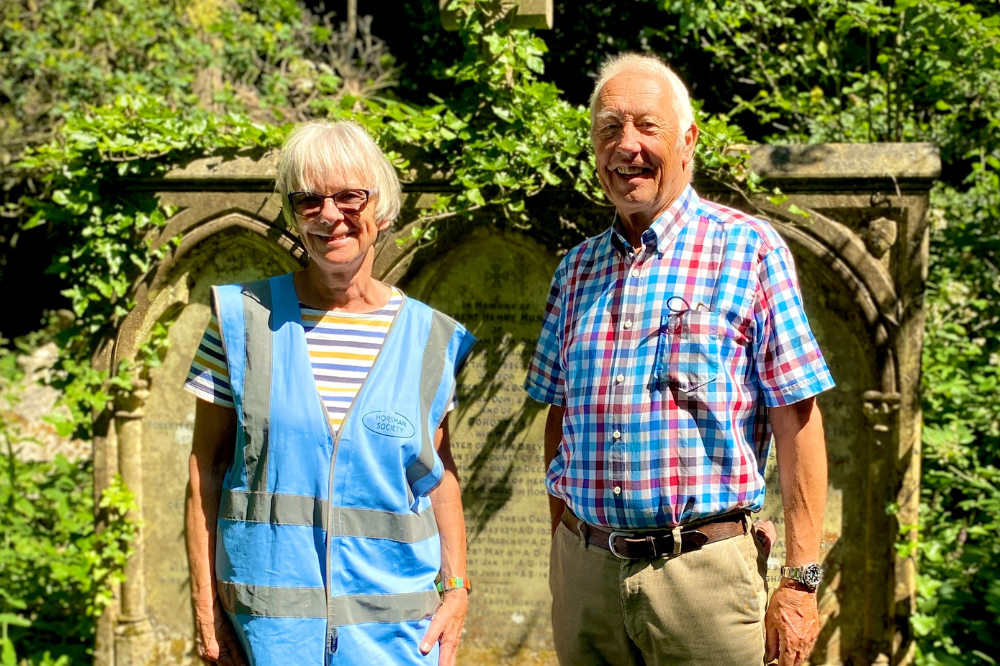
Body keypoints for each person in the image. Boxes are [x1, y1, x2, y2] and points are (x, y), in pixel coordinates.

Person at [525, 53, 835, 666]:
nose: (626, 146)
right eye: (609, 128)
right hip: (586, 574)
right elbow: (559, 416)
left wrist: (800, 582)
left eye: (647, 126)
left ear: (688, 140)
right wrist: (566, 543)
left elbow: (797, 419)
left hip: (703, 579)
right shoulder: (576, 269)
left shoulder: (748, 251)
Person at [184, 121, 476, 666]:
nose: (330, 214)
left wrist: (456, 588)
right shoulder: (241, 323)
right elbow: (207, 470)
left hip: (397, 634)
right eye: (309, 199)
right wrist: (206, 610)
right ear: (294, 216)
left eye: (349, 196)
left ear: (381, 208)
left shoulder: (430, 337)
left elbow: (440, 474)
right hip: (268, 633)